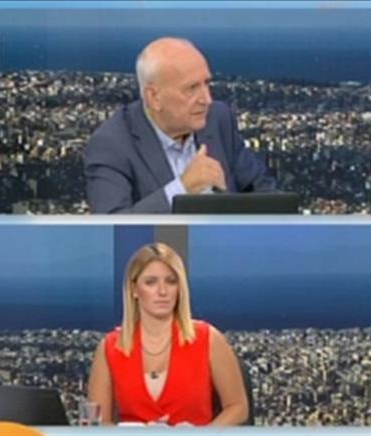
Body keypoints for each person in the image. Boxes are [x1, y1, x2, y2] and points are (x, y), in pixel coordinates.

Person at [84, 37, 276, 214]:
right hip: (166, 241)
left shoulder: (218, 118)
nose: (206, 100)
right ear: (154, 97)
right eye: (192, 88)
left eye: (206, 84)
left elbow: (262, 190)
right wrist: (182, 188)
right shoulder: (111, 144)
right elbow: (112, 228)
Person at [87, 243, 249, 425]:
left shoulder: (208, 339)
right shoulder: (110, 348)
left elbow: (238, 407)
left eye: (171, 281)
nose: (162, 291)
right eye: (151, 282)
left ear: (179, 288)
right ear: (134, 289)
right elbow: (96, 422)